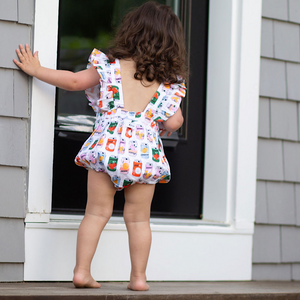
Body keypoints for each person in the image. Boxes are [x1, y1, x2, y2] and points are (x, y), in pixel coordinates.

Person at [13, 1, 187, 291]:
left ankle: (82, 271)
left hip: (107, 150)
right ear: (171, 45)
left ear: (131, 31)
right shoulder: (169, 85)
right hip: (143, 158)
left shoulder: (109, 67)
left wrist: (37, 69)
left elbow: (72, 81)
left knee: (95, 213)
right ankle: (138, 278)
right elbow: (173, 123)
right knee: (139, 219)